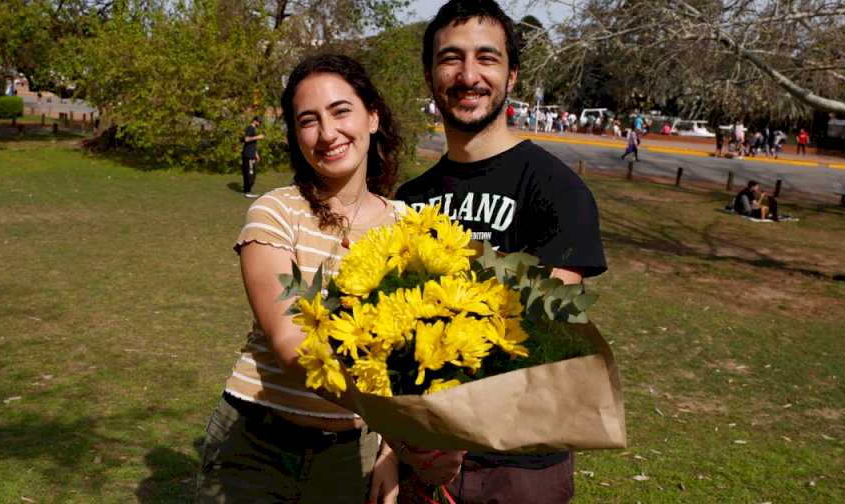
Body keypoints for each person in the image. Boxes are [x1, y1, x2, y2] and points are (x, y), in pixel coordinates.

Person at [394, 2, 608, 502]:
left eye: (486, 58)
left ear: (511, 75)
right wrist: (400, 445)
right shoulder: (407, 200)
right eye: (451, 58)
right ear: (430, 76)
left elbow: (542, 327)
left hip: (519, 465)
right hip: (422, 457)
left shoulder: (557, 189)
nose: (469, 75)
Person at [196, 54, 406, 504]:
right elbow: (293, 345)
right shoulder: (276, 212)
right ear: (296, 135)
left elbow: (413, 366)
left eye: (340, 111)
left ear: (372, 116)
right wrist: (392, 416)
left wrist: (394, 450)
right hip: (256, 445)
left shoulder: (415, 229)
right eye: (308, 120)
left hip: (350, 458)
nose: (327, 134)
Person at [241, 116, 265, 198]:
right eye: (259, 122)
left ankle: (246, 190)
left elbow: (251, 144)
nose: (259, 124)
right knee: (250, 173)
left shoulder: (253, 129)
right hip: (248, 155)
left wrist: (256, 154)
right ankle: (248, 192)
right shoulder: (250, 128)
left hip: (251, 154)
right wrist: (258, 137)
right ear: (255, 121)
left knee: (250, 172)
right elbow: (246, 139)